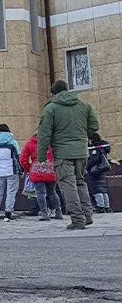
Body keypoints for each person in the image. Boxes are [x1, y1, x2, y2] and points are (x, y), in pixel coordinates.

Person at [37, 80, 100, 230]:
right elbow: (94, 127)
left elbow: (44, 135)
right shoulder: (84, 106)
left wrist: (41, 157)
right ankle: (88, 215)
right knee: (80, 182)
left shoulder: (50, 109)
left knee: (68, 186)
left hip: (63, 154)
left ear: (53, 93)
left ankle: (78, 219)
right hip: (81, 152)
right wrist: (84, 135)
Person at [19, 134, 63, 221]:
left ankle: (44, 214)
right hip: (51, 170)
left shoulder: (30, 144)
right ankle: (58, 212)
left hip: (37, 171)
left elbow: (23, 159)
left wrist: (28, 168)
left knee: (40, 193)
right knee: (52, 192)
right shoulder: (52, 143)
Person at [0, 124, 23, 222]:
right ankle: (8, 214)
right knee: (11, 192)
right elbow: (18, 158)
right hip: (11, 171)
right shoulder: (13, 142)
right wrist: (20, 170)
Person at [86, 133, 112, 213]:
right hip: (101, 171)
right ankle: (107, 206)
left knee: (97, 190)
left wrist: (87, 165)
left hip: (95, 171)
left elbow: (94, 160)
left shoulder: (95, 149)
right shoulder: (102, 147)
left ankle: (100, 207)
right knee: (103, 190)